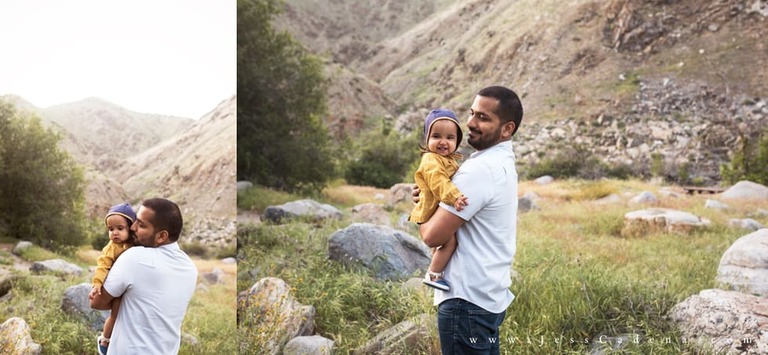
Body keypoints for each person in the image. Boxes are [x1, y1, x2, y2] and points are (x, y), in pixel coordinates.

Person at [415, 86, 523, 354]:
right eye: (472, 113)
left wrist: (421, 204)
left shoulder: (479, 169)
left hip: (466, 301)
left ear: (507, 129)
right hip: (487, 297)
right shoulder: (501, 162)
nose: (471, 123)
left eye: (483, 118)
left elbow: (432, 236)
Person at [90, 198, 198, 355]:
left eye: (141, 225)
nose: (132, 227)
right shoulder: (190, 268)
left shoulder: (134, 257)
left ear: (161, 236)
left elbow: (97, 302)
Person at [409, 108, 468, 291]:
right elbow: (438, 181)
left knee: (446, 242)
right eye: (436, 136)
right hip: (430, 211)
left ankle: (436, 269)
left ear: (457, 141)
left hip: (436, 208)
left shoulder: (449, 160)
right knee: (450, 242)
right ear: (427, 139)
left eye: (450, 138)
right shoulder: (431, 160)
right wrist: (455, 196)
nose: (443, 142)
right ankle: (434, 274)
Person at [88, 203, 137, 355]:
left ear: (130, 228)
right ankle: (105, 339)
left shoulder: (135, 244)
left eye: (120, 228)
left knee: (130, 317)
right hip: (117, 289)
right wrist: (97, 284)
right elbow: (102, 265)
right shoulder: (111, 248)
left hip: (132, 288)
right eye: (111, 229)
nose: (115, 233)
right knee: (115, 316)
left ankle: (122, 341)